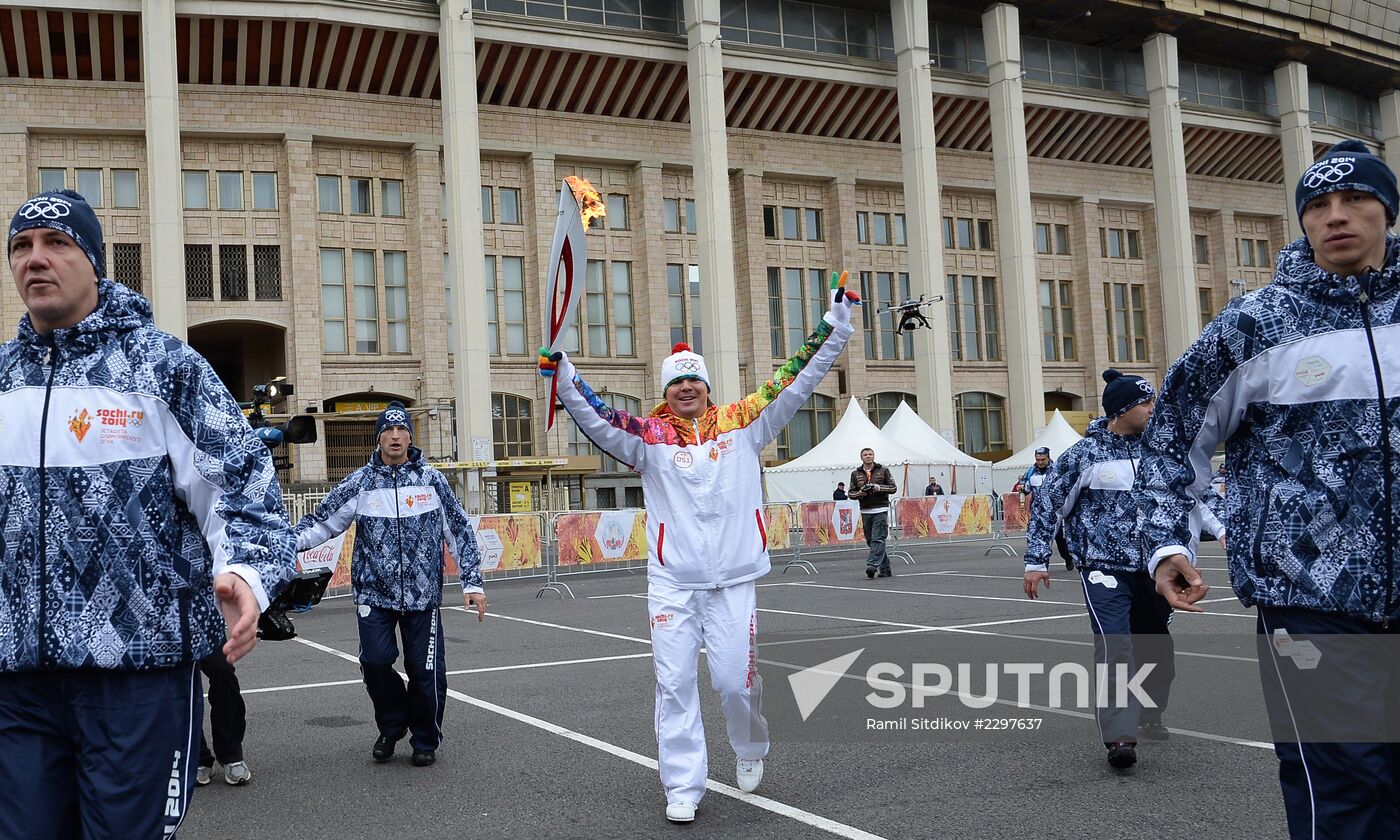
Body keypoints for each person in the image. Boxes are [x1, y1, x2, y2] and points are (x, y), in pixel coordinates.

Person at [0, 189, 296, 839]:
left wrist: (243, 574)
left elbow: (243, 483)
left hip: (136, 671)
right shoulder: (4, 380)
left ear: (95, 261)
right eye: (21, 246)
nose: (36, 259)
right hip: (18, 678)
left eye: (57, 243)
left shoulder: (163, 367)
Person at [1137, 139, 1400, 838]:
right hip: (1309, 599)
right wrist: (1167, 543)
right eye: (1318, 206)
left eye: (1355, 201)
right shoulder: (1255, 327)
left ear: (1388, 211)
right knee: (1343, 788)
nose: (1335, 217)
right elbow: (1171, 440)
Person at [540, 286, 857, 823]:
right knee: (675, 681)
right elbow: (595, 416)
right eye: (677, 381)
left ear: (706, 386)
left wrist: (836, 327)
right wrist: (564, 373)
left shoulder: (744, 423)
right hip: (674, 580)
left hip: (734, 579)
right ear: (667, 389)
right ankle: (683, 785)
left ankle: (749, 746)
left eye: (694, 379)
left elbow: (797, 380)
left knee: (735, 680)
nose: (687, 388)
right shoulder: (648, 436)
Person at [294, 401, 487, 769]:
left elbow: (459, 530)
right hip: (373, 594)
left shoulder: (431, 481)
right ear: (379, 436)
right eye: (388, 430)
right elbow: (322, 522)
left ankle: (425, 738)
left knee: (424, 671)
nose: (395, 436)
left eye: (401, 430)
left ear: (410, 436)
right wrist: (283, 544)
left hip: (422, 596)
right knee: (375, 662)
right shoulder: (362, 482)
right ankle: (392, 724)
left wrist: (472, 583)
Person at [1024, 370, 1196, 769]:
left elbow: (1187, 501)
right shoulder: (1085, 455)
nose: (1154, 409)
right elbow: (1049, 505)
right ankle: (1121, 735)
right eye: (1145, 403)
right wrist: (1036, 560)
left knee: (1156, 646)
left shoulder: (1162, 452)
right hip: (1102, 568)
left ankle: (1150, 710)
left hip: (1155, 568)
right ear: (1121, 410)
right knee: (1115, 644)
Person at [196, 651, 252, 786]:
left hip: (206, 630)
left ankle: (230, 753)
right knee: (182, 680)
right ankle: (197, 757)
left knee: (222, 670)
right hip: (169, 632)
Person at [850, 448, 898, 579]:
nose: (868, 457)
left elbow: (893, 487)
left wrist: (878, 488)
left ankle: (872, 565)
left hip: (880, 509)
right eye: (865, 455)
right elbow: (850, 493)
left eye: (870, 454)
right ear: (861, 457)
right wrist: (860, 493)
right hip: (865, 509)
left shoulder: (883, 470)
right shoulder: (855, 473)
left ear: (874, 456)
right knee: (871, 540)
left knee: (878, 538)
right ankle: (885, 569)